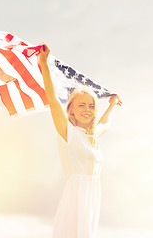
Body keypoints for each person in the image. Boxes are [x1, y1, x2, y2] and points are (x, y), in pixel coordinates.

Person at [37, 43, 122, 238]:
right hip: (76, 196)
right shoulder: (68, 132)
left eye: (91, 106)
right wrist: (44, 65)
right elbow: (52, 100)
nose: (87, 110)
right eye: (81, 105)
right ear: (71, 109)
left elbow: (105, 124)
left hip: (92, 196)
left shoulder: (91, 136)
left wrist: (113, 104)